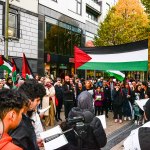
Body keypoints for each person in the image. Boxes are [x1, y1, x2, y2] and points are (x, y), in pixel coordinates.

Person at [9, 79, 46, 150]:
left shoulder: (23, 116)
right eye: (37, 100)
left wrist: (34, 143)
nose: (38, 103)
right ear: (29, 100)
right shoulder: (17, 121)